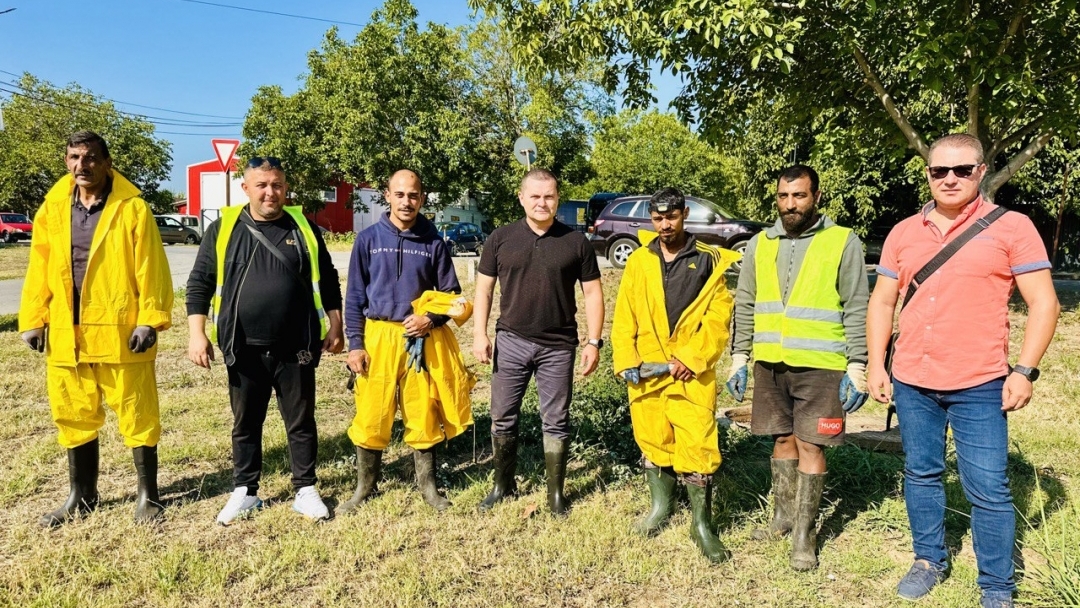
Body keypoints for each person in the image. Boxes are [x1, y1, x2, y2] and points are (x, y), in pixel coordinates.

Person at [866, 134, 1060, 608]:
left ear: (980, 171)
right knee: (921, 472)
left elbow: (1044, 302)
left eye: (962, 170)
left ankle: (996, 585)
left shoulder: (1013, 227)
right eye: (939, 171)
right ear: (928, 174)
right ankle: (929, 558)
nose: (949, 179)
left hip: (980, 381)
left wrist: (1025, 371)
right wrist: (876, 362)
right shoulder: (903, 232)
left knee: (988, 486)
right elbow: (883, 300)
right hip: (913, 377)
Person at [19, 130, 174, 527]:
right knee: (72, 412)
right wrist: (34, 318)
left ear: (107, 163)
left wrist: (149, 318)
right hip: (67, 335)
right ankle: (81, 495)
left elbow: (151, 266)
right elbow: (39, 267)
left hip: (121, 331)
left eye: (89, 158)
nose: (81, 166)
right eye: (73, 157)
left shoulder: (131, 209)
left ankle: (148, 495)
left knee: (137, 412)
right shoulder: (52, 209)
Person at [725, 164, 869, 571]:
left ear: (817, 196)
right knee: (781, 441)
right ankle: (782, 518)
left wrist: (857, 365)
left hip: (822, 366)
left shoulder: (842, 242)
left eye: (799, 196)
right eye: (784, 197)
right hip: (771, 365)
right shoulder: (759, 244)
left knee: (811, 445)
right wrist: (739, 358)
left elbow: (858, 305)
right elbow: (746, 302)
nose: (791, 205)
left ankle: (805, 534)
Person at [186, 156, 344, 525]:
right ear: (246, 188)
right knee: (245, 421)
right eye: (262, 185)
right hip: (242, 346)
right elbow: (200, 283)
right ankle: (245, 491)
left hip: (298, 345)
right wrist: (197, 334)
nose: (270, 192)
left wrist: (336, 326)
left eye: (277, 185)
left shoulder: (303, 227)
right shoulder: (224, 228)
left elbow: (329, 278)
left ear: (285, 188)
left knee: (301, 420)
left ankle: (305, 489)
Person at [611, 187, 739, 563]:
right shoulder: (638, 261)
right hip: (646, 371)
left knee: (698, 444)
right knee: (653, 438)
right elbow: (625, 317)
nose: (665, 225)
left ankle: (701, 525)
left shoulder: (708, 260)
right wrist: (626, 360)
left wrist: (691, 357)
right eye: (657, 218)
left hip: (689, 373)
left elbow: (718, 320)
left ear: (684, 214)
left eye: (671, 217)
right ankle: (659, 508)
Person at [472, 168, 605, 516]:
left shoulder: (576, 243)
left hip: (558, 347)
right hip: (511, 340)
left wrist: (593, 341)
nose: (542, 202)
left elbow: (592, 294)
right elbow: (484, 290)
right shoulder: (500, 239)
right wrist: (479, 333)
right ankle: (503, 486)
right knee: (502, 417)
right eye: (535, 196)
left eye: (548, 196)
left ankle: (555, 495)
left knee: (556, 421)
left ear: (557, 199)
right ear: (521, 198)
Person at [340, 169, 474, 513]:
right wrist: (355, 344)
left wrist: (430, 318)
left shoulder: (434, 242)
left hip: (420, 339)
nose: (406, 201)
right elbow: (354, 296)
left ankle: (428, 487)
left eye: (413, 195)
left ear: (422, 198)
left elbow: (452, 297)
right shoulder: (367, 239)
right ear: (387, 195)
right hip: (378, 336)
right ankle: (364, 487)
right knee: (371, 411)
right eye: (399, 194)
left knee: (423, 410)